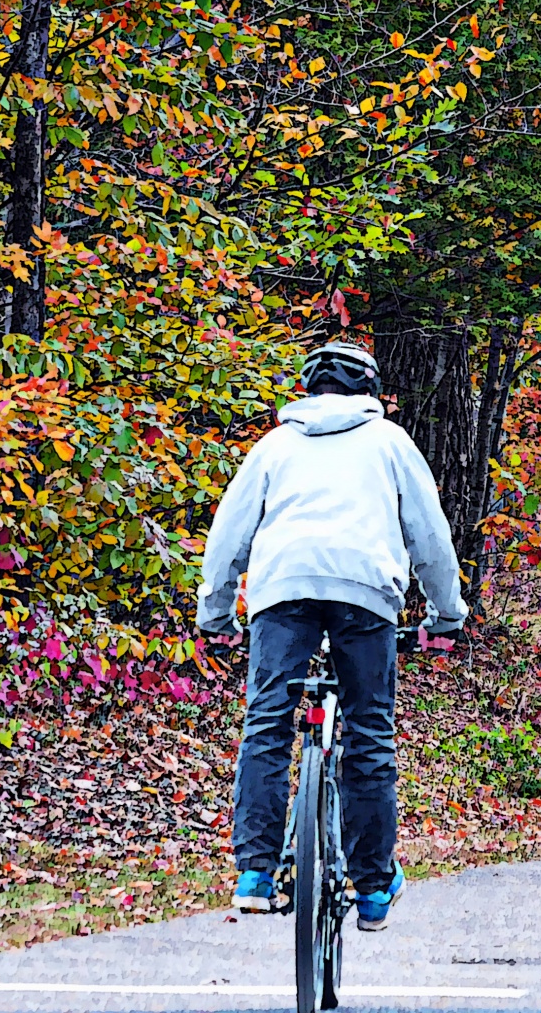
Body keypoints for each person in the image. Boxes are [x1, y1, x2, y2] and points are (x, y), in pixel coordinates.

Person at [197, 342, 465, 931]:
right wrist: (446, 614)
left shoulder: (277, 445)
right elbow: (429, 534)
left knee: (267, 723)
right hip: (366, 591)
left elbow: (227, 536)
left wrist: (215, 615)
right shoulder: (390, 444)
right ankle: (371, 888)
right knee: (370, 731)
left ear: (308, 388)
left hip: (282, 592)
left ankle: (255, 874)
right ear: (369, 392)